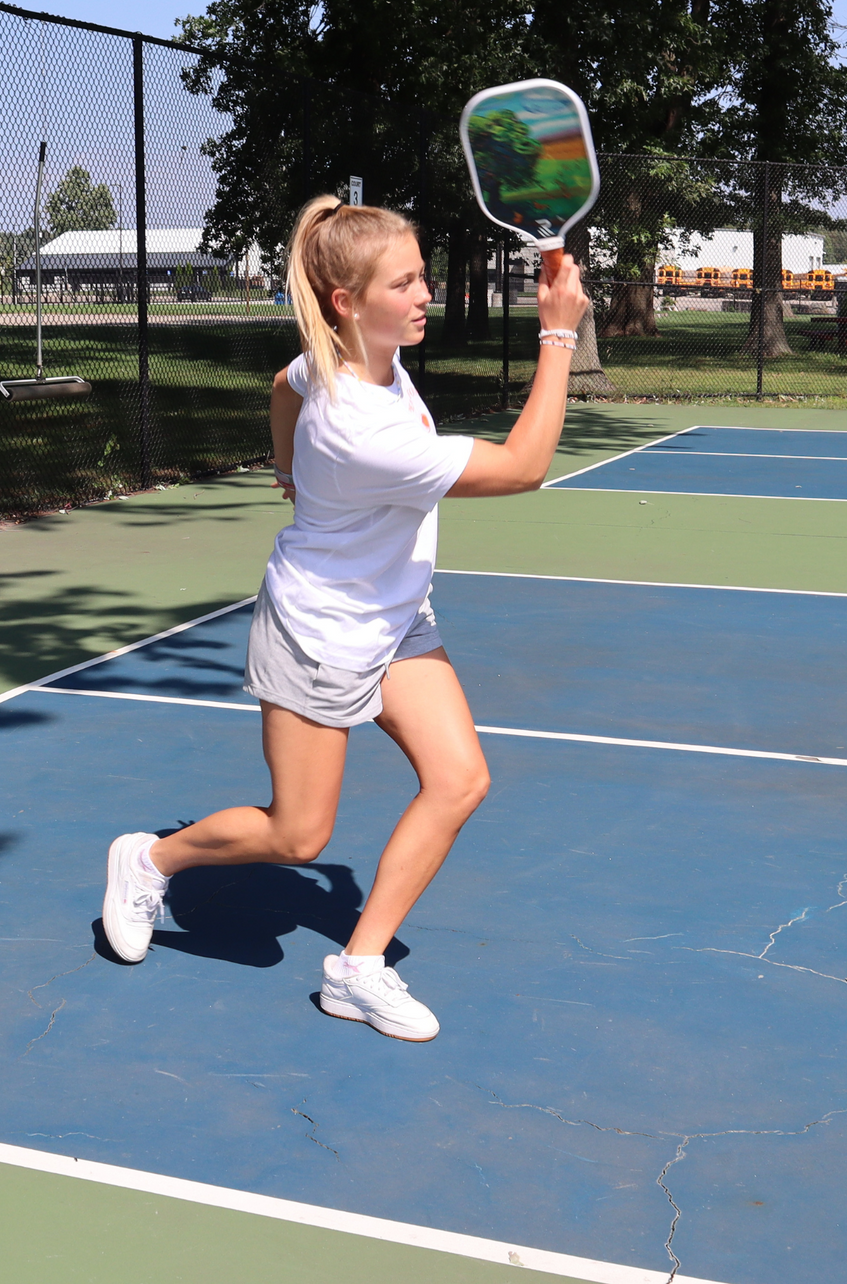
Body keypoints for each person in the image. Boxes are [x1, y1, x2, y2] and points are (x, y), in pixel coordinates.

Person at [103, 197, 587, 1042]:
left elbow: (280, 384)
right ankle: (150, 859)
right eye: (403, 284)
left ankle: (357, 971)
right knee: (297, 834)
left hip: (394, 616)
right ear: (346, 301)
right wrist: (556, 334)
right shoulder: (360, 426)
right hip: (319, 633)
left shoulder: (345, 360)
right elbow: (521, 467)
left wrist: (285, 464)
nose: (423, 294)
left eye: (422, 276)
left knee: (458, 778)